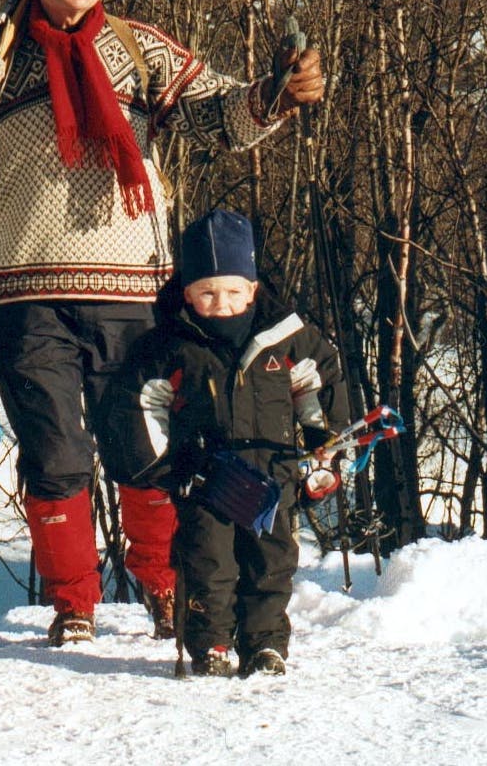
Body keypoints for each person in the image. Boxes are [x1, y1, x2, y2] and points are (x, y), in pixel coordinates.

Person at [0, 0, 326, 647]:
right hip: (26, 291)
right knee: (54, 452)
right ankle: (73, 604)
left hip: (135, 290)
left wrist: (275, 94)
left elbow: (218, 114)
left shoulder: (139, 49)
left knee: (145, 445)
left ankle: (165, 584)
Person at [109, 209, 349, 678]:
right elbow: (142, 404)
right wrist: (168, 468)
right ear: (187, 293)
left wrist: (324, 447)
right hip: (205, 481)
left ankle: (265, 644)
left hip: (271, 475)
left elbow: (318, 387)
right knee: (208, 563)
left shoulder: (287, 338)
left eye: (234, 292)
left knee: (271, 562)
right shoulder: (170, 345)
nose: (222, 304)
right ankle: (211, 644)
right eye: (208, 293)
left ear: (253, 289)